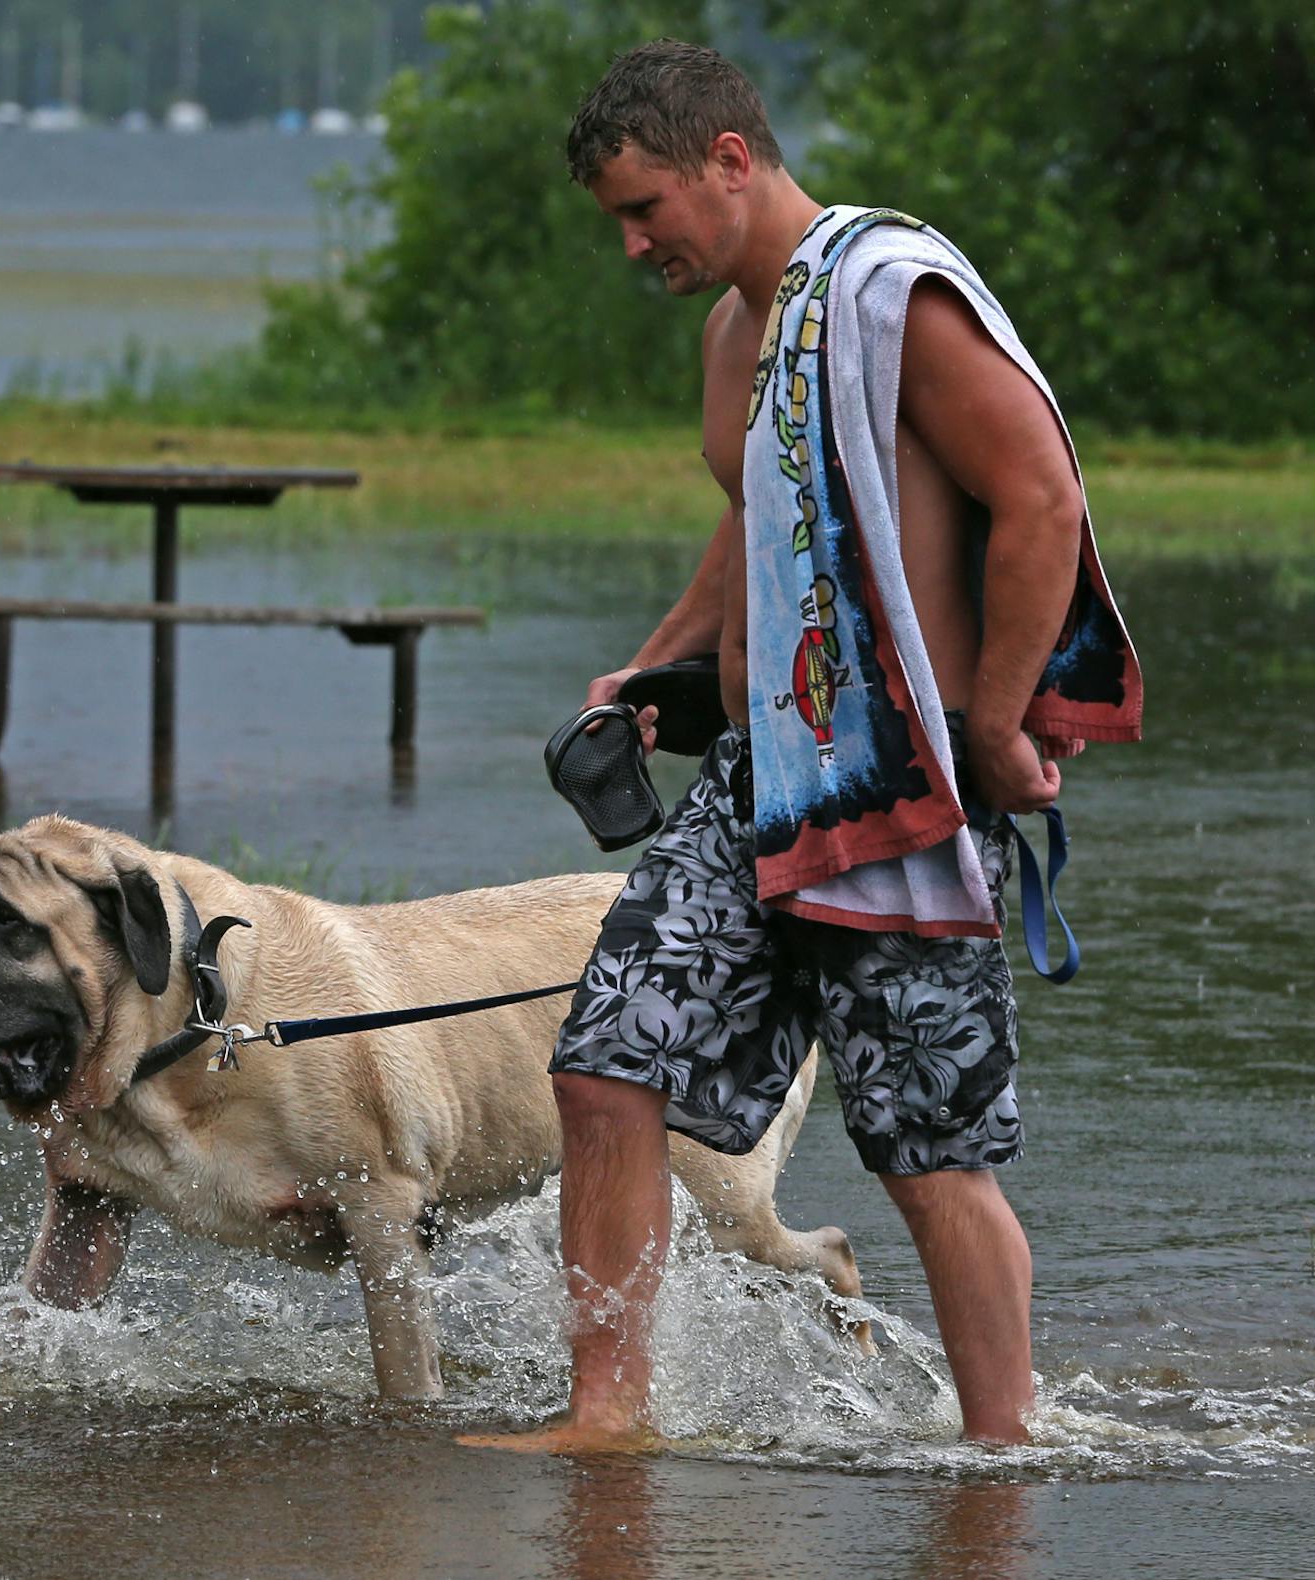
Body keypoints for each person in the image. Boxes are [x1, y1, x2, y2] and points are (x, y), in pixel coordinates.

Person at [476, 40, 1142, 1452]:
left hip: (898, 783)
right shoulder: (738, 331)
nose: (632, 240)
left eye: (644, 206)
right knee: (604, 1064)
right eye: (615, 217)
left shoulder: (888, 291)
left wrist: (1001, 724)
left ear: (730, 158)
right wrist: (657, 658)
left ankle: (1001, 1451)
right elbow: (762, 515)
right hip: (758, 778)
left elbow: (1040, 500)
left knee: (928, 1150)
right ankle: (610, 1414)